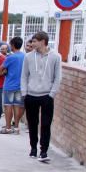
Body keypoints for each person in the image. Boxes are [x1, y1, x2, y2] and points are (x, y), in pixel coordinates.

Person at [21, 31, 61, 161]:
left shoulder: (55, 57)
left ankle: (44, 151)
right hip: (31, 95)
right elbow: (24, 75)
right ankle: (33, 148)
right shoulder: (28, 57)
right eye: (32, 41)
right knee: (32, 123)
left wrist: (52, 94)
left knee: (45, 124)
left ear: (43, 41)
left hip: (46, 95)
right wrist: (24, 92)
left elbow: (57, 77)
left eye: (34, 41)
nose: (32, 44)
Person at [0, 37, 26, 135]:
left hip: (10, 85)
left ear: (13, 45)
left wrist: (5, 71)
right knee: (18, 105)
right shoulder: (25, 56)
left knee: (8, 105)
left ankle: (8, 127)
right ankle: (16, 127)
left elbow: (1, 69)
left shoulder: (10, 57)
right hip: (21, 85)